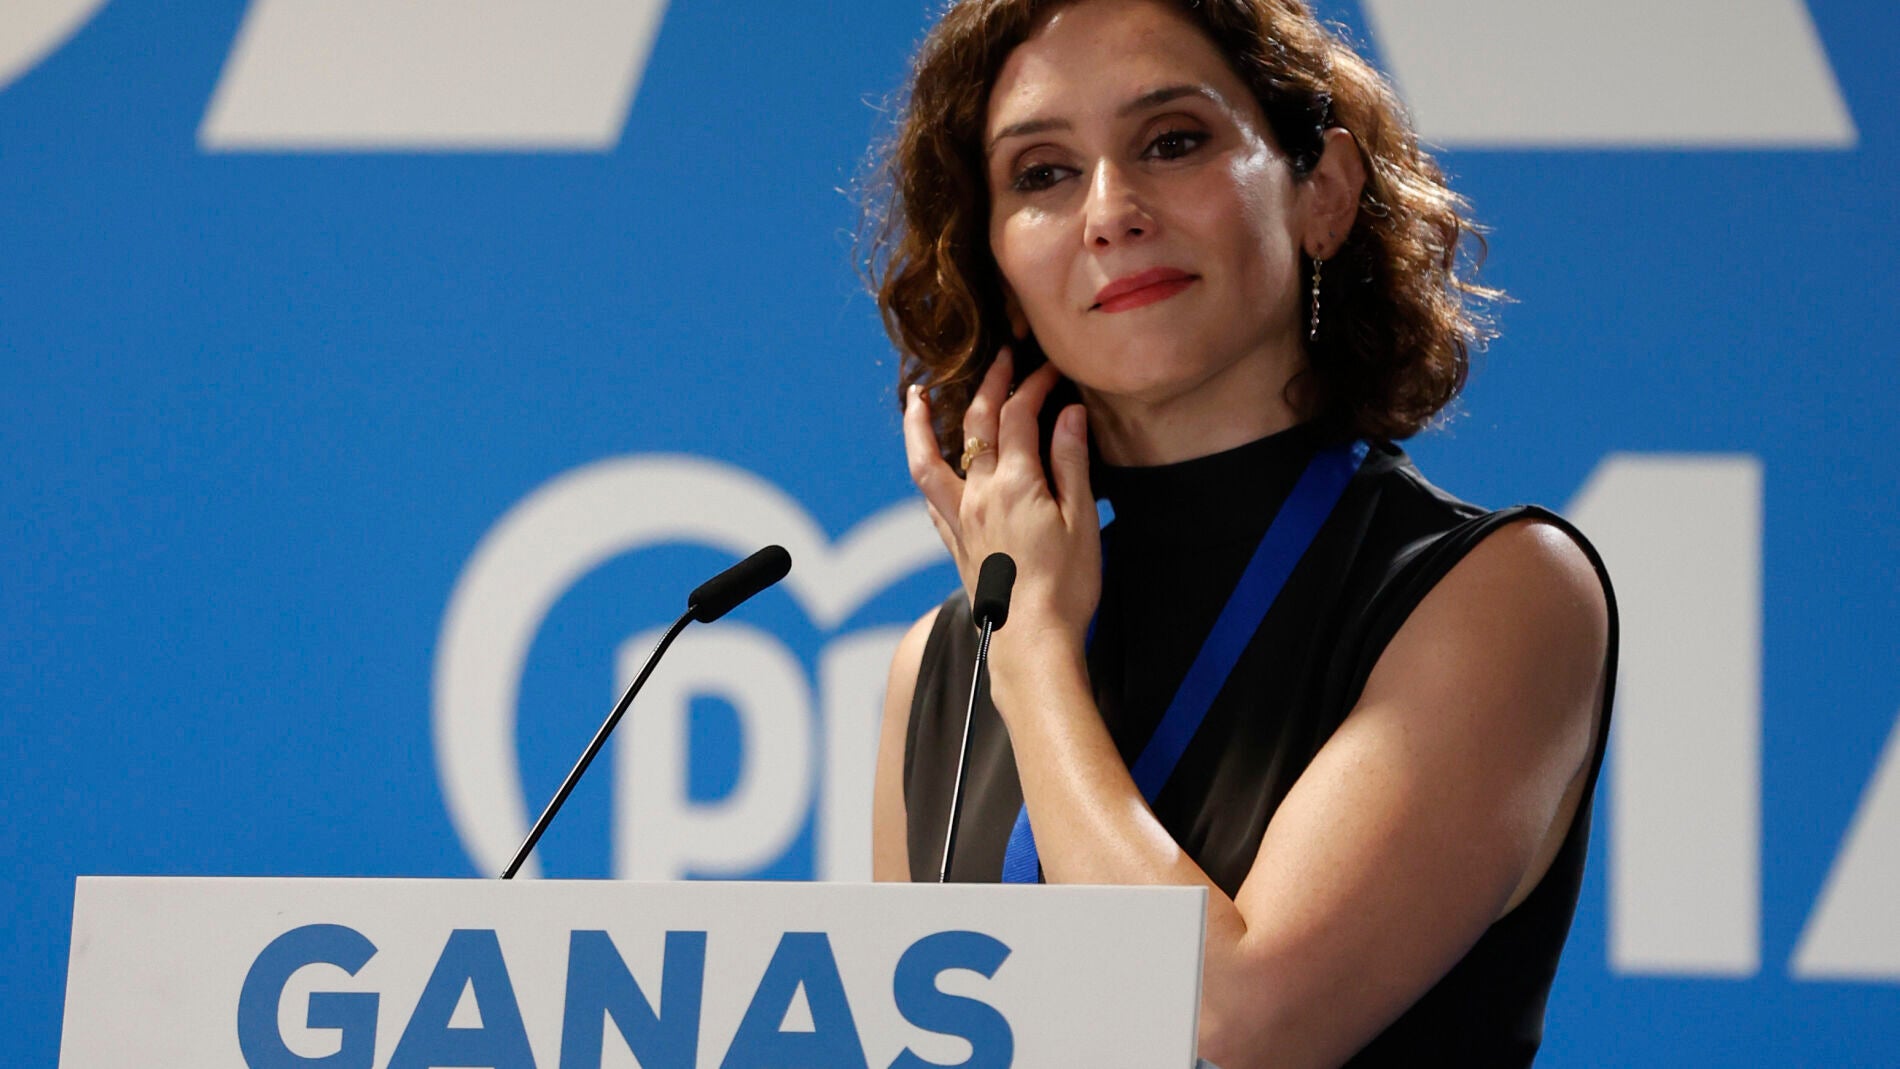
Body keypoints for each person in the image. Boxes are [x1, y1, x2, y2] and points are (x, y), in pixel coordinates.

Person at [861, 1, 1617, 1066]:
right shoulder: (937, 665)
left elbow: (1238, 1022)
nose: (1110, 212)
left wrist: (1032, 653)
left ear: (1324, 193)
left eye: (1172, 142)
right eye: (1043, 174)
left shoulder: (1502, 591)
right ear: (1002, 274)